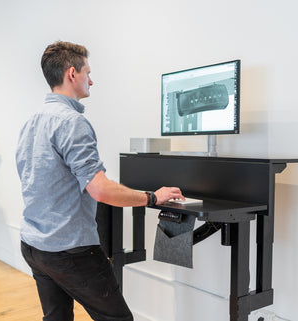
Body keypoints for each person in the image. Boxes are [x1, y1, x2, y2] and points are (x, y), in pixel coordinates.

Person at [16, 41, 184, 321]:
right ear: (72, 74)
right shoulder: (72, 122)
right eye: (87, 72)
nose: (91, 80)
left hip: (34, 245)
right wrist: (153, 197)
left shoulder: (32, 121)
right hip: (69, 250)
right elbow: (101, 190)